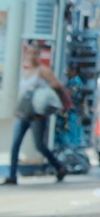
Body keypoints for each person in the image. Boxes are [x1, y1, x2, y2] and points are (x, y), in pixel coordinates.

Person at [6, 40, 68, 184]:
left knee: (39, 145)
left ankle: (59, 167)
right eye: (29, 53)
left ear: (39, 54)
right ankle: (12, 175)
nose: (32, 56)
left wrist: (42, 91)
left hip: (37, 114)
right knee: (15, 143)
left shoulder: (43, 71)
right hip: (23, 112)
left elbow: (57, 84)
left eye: (35, 53)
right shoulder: (27, 71)